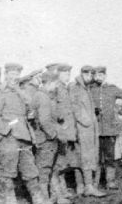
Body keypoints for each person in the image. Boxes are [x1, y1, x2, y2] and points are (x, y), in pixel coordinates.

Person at [0, 63, 49, 204]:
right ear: (6, 75)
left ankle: (38, 199)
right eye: (11, 74)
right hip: (7, 139)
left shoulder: (20, 93)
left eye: (17, 74)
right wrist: (6, 129)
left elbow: (30, 109)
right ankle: (10, 201)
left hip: (24, 137)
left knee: (30, 171)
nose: (14, 77)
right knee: (7, 173)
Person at [21, 70, 72, 204]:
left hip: (46, 138)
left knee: (52, 168)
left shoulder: (41, 95)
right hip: (46, 139)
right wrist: (55, 135)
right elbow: (44, 121)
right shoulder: (43, 97)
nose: (55, 87)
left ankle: (56, 197)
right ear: (50, 83)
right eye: (55, 84)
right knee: (44, 170)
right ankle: (44, 199)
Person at [90, 66, 122, 190]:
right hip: (95, 129)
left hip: (110, 129)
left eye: (101, 75)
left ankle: (110, 181)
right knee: (96, 157)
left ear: (105, 76)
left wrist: (121, 110)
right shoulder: (90, 90)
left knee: (110, 156)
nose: (98, 77)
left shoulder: (112, 89)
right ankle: (95, 182)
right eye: (96, 75)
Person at [69, 66, 106, 197]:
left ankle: (81, 186)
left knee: (83, 157)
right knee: (85, 157)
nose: (91, 77)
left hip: (87, 129)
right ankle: (88, 186)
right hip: (83, 128)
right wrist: (86, 121)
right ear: (83, 74)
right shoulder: (76, 88)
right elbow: (74, 108)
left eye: (92, 75)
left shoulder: (85, 88)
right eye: (89, 74)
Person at [53, 64, 84, 198]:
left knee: (75, 159)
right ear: (58, 74)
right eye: (64, 73)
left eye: (68, 74)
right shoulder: (55, 88)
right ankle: (62, 190)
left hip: (72, 131)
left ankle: (78, 187)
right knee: (60, 162)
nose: (67, 76)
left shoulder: (69, 87)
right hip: (62, 131)